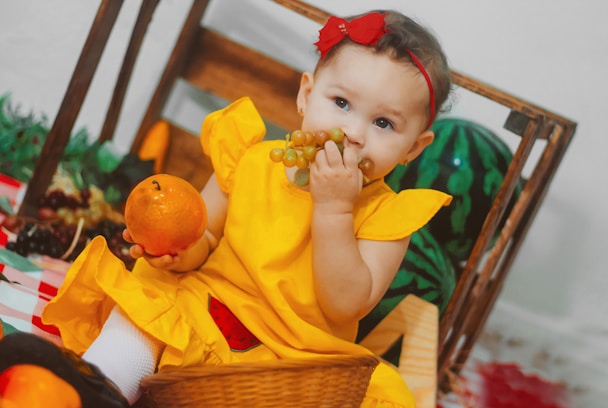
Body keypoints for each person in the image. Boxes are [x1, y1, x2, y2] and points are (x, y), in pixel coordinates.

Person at [0, 9, 452, 408]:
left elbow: (344, 303)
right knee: (148, 304)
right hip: (209, 307)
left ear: (413, 149)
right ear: (305, 95)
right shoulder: (253, 161)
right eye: (340, 103)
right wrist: (180, 252)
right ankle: (101, 387)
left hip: (289, 360)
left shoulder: (389, 217)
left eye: (383, 123)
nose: (352, 132)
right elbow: (206, 237)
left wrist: (334, 208)